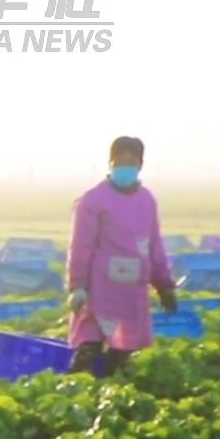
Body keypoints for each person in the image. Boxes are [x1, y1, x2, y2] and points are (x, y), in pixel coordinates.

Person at [66, 136, 179, 378]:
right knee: (88, 349)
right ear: (111, 162)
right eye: (120, 160)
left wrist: (164, 284)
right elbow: (81, 246)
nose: (126, 165)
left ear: (140, 164)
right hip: (101, 289)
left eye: (132, 160)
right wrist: (78, 286)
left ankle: (109, 395)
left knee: (122, 354)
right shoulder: (93, 201)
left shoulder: (146, 200)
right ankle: (76, 393)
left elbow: (154, 245)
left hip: (131, 291)